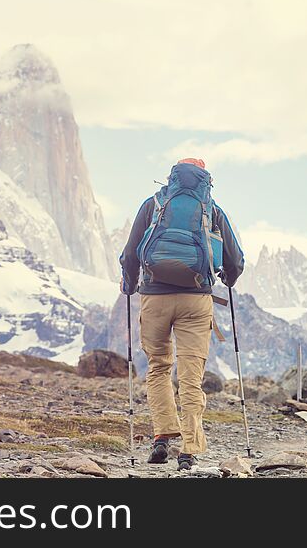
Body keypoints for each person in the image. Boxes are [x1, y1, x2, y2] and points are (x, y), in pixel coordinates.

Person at [120, 158, 244, 470]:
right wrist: (228, 277)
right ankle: (189, 449)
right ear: (206, 180)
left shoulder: (154, 205)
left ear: (172, 177)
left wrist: (130, 284)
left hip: (155, 299)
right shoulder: (212, 210)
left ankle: (162, 437)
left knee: (159, 368)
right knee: (191, 375)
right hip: (196, 301)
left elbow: (131, 251)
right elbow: (236, 260)